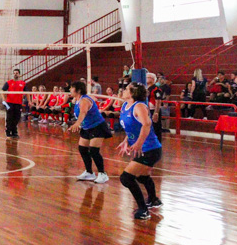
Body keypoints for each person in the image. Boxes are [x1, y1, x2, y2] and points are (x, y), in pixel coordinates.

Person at [117, 83, 163, 220]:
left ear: (132, 93)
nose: (124, 90)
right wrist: (126, 140)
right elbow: (133, 127)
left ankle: (143, 210)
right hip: (145, 149)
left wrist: (138, 143)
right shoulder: (125, 106)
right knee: (141, 176)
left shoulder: (139, 106)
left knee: (126, 178)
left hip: (150, 149)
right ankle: (153, 200)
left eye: (127, 89)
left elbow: (147, 124)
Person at [68, 81, 112, 184]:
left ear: (78, 90)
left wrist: (77, 124)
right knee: (82, 149)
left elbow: (83, 113)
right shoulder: (77, 100)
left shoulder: (84, 100)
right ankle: (89, 172)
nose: (70, 90)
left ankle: (102, 174)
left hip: (97, 126)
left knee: (94, 150)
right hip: (86, 127)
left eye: (72, 88)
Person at [2, 68, 25, 138]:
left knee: (17, 118)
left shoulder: (23, 83)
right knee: (9, 118)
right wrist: (4, 99)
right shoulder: (8, 82)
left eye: (17, 73)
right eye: (14, 73)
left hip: (18, 103)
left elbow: (27, 92)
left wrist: (29, 101)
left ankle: (14, 132)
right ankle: (8, 132)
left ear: (19, 74)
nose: (15, 74)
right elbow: (2, 91)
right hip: (10, 103)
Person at [145, 72, 165, 142]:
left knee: (156, 128)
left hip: (153, 110)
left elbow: (158, 101)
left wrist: (156, 112)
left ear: (152, 79)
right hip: (147, 110)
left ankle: (157, 143)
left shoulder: (156, 89)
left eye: (148, 77)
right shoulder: (146, 88)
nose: (146, 79)